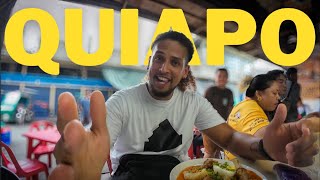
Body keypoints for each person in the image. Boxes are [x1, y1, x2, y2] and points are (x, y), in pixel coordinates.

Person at [50, 31, 319, 180]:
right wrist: (85, 156)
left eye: (175, 62)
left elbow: (231, 138)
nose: (164, 68)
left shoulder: (193, 102)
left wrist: (263, 147)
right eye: (159, 59)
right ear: (149, 62)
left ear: (184, 70)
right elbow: (97, 138)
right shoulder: (123, 100)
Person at [224, 74, 280, 160]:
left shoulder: (241, 105)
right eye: (274, 93)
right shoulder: (252, 109)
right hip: (242, 167)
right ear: (259, 94)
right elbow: (267, 140)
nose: (278, 97)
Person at [203, 68, 234, 158]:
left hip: (224, 125)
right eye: (219, 76)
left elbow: (230, 109)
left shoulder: (229, 92)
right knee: (210, 152)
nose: (222, 78)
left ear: (227, 79)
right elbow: (203, 109)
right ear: (215, 77)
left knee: (222, 151)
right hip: (210, 125)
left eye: (224, 76)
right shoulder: (210, 90)